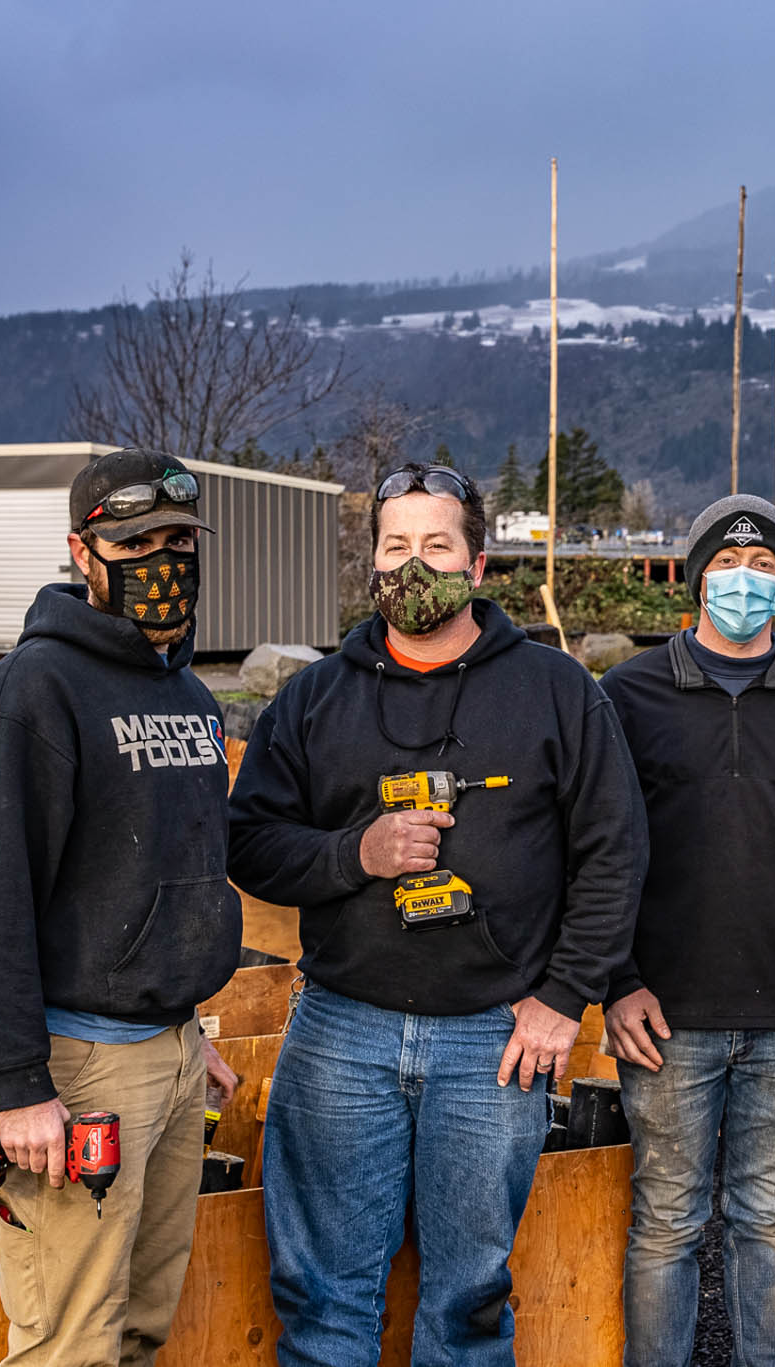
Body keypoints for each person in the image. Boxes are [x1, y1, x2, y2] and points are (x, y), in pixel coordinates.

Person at [227, 462, 647, 1367]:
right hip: (342, 1028)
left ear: (480, 563)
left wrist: (563, 994)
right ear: (372, 563)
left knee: (466, 1306)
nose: (414, 565)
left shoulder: (557, 691)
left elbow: (614, 853)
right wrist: (357, 854)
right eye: (395, 547)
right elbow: (249, 841)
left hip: (491, 1039)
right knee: (325, 1301)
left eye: (437, 545)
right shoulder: (312, 699)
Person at [0, 447, 242, 1366]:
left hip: (172, 1055)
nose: (164, 561)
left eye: (178, 540)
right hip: (76, 1075)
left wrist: (187, 1032)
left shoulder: (189, 693)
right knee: (67, 1340)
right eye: (137, 541)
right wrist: (19, 1085)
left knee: (144, 1327)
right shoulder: (30, 695)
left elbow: (174, 870)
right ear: (84, 552)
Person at [598, 495, 775, 1367]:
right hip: (664, 1013)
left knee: (768, 1218)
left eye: (764, 568)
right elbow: (595, 853)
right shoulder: (626, 695)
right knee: (668, 1220)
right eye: (727, 564)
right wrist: (614, 979)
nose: (745, 581)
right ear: (695, 579)